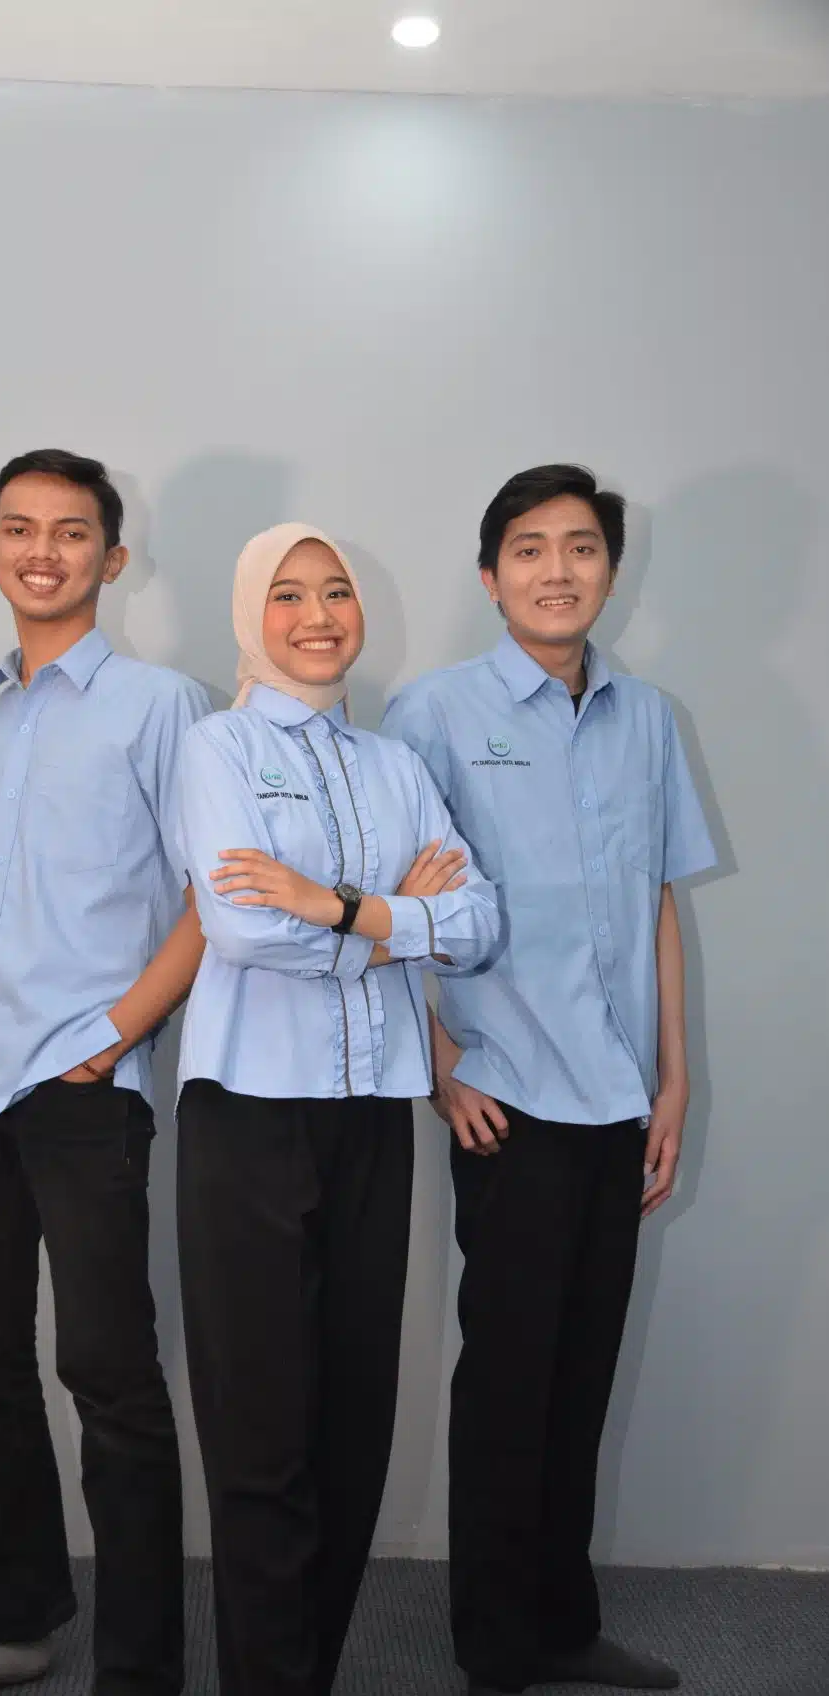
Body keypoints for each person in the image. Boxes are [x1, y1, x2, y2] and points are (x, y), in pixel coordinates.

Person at [0, 450, 211, 1696]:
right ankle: (10, 1619)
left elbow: (216, 896)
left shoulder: (161, 706)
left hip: (80, 1094)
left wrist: (114, 1033)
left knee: (109, 1373)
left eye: (71, 531)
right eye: (18, 528)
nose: (43, 550)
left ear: (111, 559)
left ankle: (140, 1667)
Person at [382, 465, 717, 1696]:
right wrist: (436, 1066)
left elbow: (657, 902)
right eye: (528, 548)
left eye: (580, 547)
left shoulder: (649, 719)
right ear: (491, 575)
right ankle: (495, 1648)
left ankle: (565, 1625)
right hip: (509, 1098)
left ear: (610, 571)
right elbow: (385, 909)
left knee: (581, 1377)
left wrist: (675, 1080)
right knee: (508, 1383)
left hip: (619, 1099)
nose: (556, 570)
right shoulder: (432, 713)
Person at [174, 522, 500, 1696]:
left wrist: (334, 904)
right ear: (249, 613)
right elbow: (239, 927)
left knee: (354, 1419)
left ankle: (302, 1673)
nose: (316, 616)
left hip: (373, 1116)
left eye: (335, 592)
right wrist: (391, 920)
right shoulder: (215, 748)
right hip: (248, 1114)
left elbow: (477, 921)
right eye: (288, 594)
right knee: (261, 1430)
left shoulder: (394, 765)